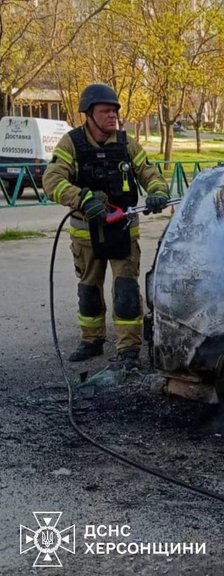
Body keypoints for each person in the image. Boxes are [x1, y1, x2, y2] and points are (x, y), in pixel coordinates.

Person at [43, 83, 171, 370]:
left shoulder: (126, 143)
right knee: (89, 289)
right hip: (85, 233)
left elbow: (149, 172)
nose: (112, 115)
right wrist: (81, 199)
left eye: (114, 110)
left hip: (123, 229)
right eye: (105, 111)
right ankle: (92, 340)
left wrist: (157, 192)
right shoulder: (71, 144)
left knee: (126, 290)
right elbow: (51, 180)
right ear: (88, 114)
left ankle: (129, 350)